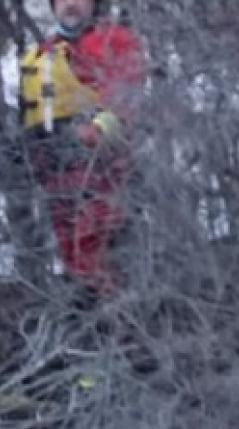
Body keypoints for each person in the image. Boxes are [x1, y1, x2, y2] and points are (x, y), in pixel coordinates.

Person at [18, 0, 148, 303]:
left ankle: (120, 321)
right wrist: (23, 150)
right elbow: (29, 116)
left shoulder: (117, 41)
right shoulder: (40, 55)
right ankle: (84, 318)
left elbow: (127, 95)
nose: (71, 4)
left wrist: (98, 130)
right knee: (75, 262)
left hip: (103, 175)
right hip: (56, 178)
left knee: (105, 257)